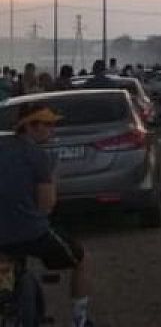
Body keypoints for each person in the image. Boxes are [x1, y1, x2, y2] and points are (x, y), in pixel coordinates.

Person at [0, 103, 92, 327]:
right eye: (47, 124)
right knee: (82, 259)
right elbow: (47, 205)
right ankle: (79, 320)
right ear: (30, 126)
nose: (52, 129)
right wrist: (52, 180)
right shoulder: (38, 156)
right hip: (30, 234)